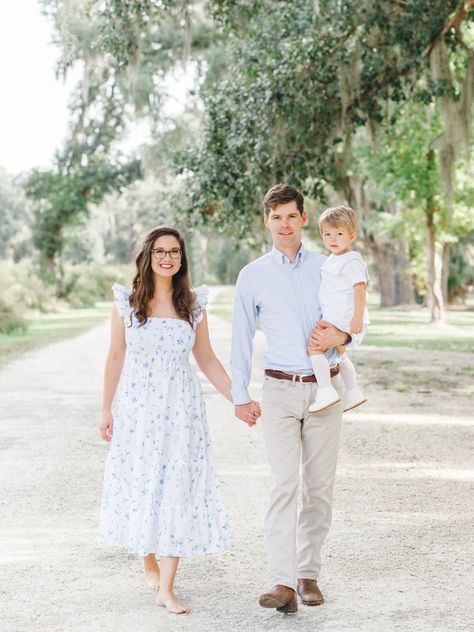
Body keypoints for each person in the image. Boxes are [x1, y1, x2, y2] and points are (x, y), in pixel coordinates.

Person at [99, 226, 259, 615]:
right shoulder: (127, 303)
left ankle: (167, 588)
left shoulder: (193, 304)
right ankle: (147, 557)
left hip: (181, 411)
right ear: (148, 257)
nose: (167, 258)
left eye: (174, 252)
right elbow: (116, 357)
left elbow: (205, 358)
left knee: (176, 488)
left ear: (181, 258)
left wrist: (240, 397)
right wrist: (106, 409)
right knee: (144, 483)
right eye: (159, 252)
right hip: (139, 410)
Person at [231, 184, 351, 614]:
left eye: (291, 216)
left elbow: (358, 314)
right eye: (276, 216)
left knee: (319, 489)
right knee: (285, 485)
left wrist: (346, 335)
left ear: (304, 218)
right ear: (267, 221)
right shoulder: (253, 275)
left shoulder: (329, 267)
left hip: (325, 390)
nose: (284, 224)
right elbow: (241, 337)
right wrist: (239, 394)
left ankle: (307, 575)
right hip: (279, 391)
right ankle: (281, 581)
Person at [308, 205, 369, 413]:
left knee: (315, 347)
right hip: (335, 316)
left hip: (345, 317)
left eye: (339, 234)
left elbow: (360, 289)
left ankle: (325, 390)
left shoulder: (352, 260)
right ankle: (353, 391)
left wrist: (357, 318)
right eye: (327, 234)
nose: (333, 239)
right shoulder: (333, 259)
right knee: (340, 354)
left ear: (351, 236)